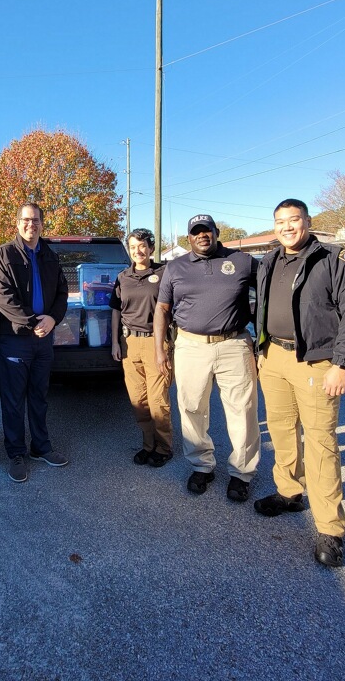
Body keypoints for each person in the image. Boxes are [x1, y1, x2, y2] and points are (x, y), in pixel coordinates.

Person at [253, 199, 345, 567]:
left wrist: (342, 364)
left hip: (317, 362)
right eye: (280, 222)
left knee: (320, 442)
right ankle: (289, 492)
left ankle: (330, 528)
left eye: (293, 220)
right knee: (281, 430)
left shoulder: (336, 260)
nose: (287, 227)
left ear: (308, 222)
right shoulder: (270, 261)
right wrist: (261, 349)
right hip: (273, 357)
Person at [153, 214, 260, 501]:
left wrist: (264, 343)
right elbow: (162, 309)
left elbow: (270, 293)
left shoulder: (242, 262)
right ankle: (202, 465)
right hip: (190, 345)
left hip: (234, 344)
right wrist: (159, 349)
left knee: (242, 411)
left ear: (216, 232)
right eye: (196, 232)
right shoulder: (175, 268)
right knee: (191, 407)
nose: (202, 235)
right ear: (189, 237)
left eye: (207, 230)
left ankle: (241, 473)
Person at [0, 202, 69, 483]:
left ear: (42, 224)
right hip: (14, 339)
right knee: (13, 400)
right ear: (17, 223)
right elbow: (2, 298)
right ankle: (16, 453)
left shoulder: (49, 255)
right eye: (25, 220)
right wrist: (34, 321)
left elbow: (62, 292)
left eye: (35, 220)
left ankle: (40, 447)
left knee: (39, 397)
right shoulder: (4, 254)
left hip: (43, 340)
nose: (30, 225)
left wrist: (53, 319)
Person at [110, 228, 173, 467]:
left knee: (158, 400)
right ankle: (149, 445)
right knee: (139, 400)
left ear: (151, 247)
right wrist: (115, 341)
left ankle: (164, 447)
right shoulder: (123, 277)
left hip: (156, 342)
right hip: (129, 344)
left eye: (142, 245)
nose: (138, 251)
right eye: (133, 246)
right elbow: (116, 309)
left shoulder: (165, 272)